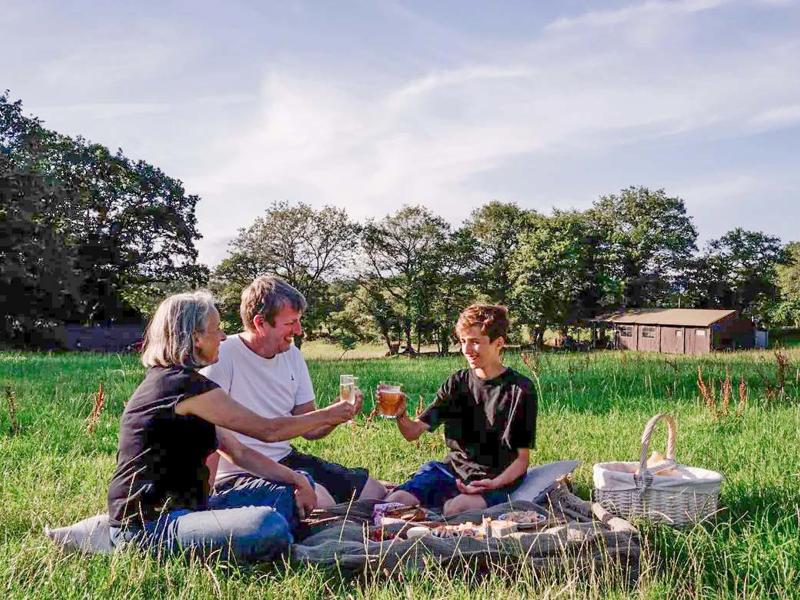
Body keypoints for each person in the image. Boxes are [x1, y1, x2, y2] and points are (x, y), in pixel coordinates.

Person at [106, 290, 356, 563]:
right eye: (217, 329)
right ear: (196, 338)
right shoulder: (178, 387)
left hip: (194, 510)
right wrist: (329, 414)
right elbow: (268, 430)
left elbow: (239, 452)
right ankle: (277, 538)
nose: (224, 337)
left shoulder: (186, 384)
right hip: (149, 528)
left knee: (290, 488)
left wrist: (297, 479)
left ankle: (270, 531)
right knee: (266, 525)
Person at [201, 276, 387, 506]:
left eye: (298, 321)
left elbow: (309, 430)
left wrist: (338, 416)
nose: (298, 330)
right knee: (322, 501)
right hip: (241, 471)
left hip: (285, 459)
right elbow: (227, 437)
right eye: (290, 323)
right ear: (260, 323)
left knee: (375, 492)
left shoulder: (292, 356)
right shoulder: (223, 356)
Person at [383, 304, 537, 517]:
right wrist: (400, 414)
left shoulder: (520, 389)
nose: (466, 350)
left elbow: (522, 461)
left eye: (475, 342)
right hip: (451, 471)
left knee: (455, 510)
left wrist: (493, 484)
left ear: (498, 343)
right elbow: (412, 432)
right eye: (463, 341)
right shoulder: (457, 383)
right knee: (394, 503)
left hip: (495, 477)